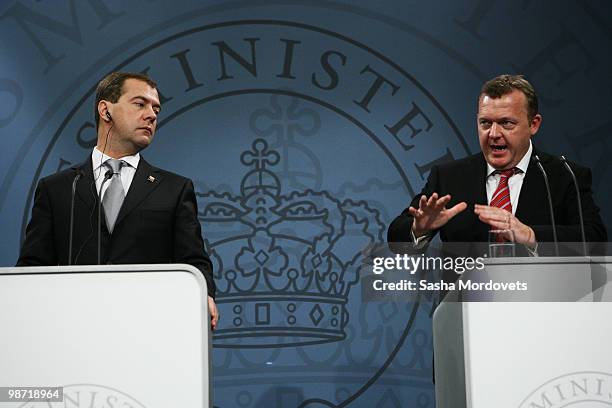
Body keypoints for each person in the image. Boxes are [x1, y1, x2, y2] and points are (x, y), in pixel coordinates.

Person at [17, 72, 219, 330]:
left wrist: (204, 295)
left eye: (156, 108)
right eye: (140, 104)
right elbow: (32, 269)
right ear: (105, 110)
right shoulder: (57, 189)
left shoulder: (174, 189)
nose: (152, 115)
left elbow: (194, 262)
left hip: (148, 331)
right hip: (71, 330)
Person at [388, 74, 607, 254]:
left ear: (534, 124)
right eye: (485, 123)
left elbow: (594, 239)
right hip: (467, 304)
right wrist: (419, 228)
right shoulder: (448, 177)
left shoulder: (564, 175)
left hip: (541, 303)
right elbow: (396, 238)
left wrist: (531, 235)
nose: (493, 134)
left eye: (506, 123)